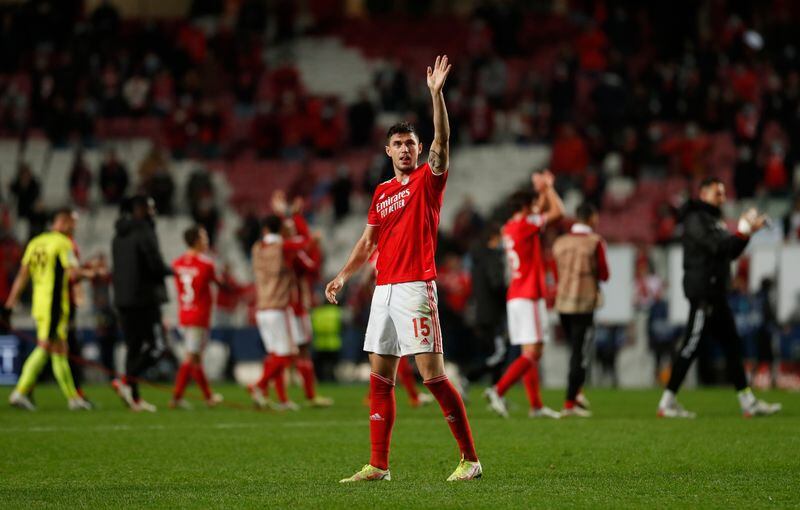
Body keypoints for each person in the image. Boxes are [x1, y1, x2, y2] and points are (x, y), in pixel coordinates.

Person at [326, 56, 481, 483]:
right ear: (388, 150)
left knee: (432, 376)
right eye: (399, 144)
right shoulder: (381, 192)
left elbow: (443, 143)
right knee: (380, 375)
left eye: (412, 143)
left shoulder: (429, 181)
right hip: (384, 290)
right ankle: (379, 465)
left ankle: (470, 458)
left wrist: (436, 95)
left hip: (417, 286)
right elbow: (367, 242)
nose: (407, 149)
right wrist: (342, 274)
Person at [657, 178, 781, 418]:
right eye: (717, 193)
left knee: (733, 347)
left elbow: (730, 251)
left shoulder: (713, 219)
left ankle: (747, 401)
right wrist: (743, 230)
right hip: (704, 294)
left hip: (716, 294)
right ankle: (666, 402)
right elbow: (718, 247)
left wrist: (747, 233)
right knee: (690, 347)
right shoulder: (695, 218)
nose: (722, 197)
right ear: (703, 193)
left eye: (724, 193)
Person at [484, 172, 564, 419]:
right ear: (527, 208)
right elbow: (558, 213)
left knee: (530, 351)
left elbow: (540, 210)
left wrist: (539, 192)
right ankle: (498, 390)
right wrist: (548, 187)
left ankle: (536, 406)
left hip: (516, 295)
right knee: (533, 352)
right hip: (529, 294)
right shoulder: (525, 225)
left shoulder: (509, 226)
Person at [3, 208, 92, 411]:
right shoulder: (63, 243)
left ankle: (73, 398)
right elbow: (73, 274)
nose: (74, 227)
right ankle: (21, 391)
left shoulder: (35, 242)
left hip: (39, 304)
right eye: (71, 223)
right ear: (62, 222)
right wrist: (92, 273)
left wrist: (9, 305)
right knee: (46, 348)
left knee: (59, 349)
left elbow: (22, 276)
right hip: (54, 305)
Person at [111, 195, 172, 412]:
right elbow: (154, 265)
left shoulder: (118, 235)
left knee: (133, 348)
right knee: (157, 347)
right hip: (145, 299)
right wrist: (172, 270)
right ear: (141, 209)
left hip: (122, 299)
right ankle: (126, 381)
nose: (153, 211)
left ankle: (134, 399)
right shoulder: (144, 231)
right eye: (151, 207)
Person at [248, 214, 314, 411]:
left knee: (275, 355)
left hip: (261, 308)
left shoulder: (256, 248)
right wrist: (295, 217)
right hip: (278, 308)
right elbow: (305, 242)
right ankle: (258, 386)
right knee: (287, 355)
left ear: (265, 230)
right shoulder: (284, 247)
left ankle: (282, 400)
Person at [552, 203, 609, 417]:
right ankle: (570, 402)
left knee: (574, 350)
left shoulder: (560, 242)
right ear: (592, 217)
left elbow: (556, 274)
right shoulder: (595, 242)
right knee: (580, 354)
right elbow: (604, 274)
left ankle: (577, 394)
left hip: (563, 303)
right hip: (584, 303)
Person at [169, 226, 224, 409]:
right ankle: (176, 397)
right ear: (197, 240)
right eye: (204, 237)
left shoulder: (177, 263)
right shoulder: (206, 264)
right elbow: (219, 283)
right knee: (190, 357)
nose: (207, 240)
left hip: (184, 313)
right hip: (199, 315)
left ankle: (208, 397)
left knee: (196, 358)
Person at [466, 223, 508, 385]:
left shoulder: (477, 259)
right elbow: (496, 283)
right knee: (499, 354)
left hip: (482, 312)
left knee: (494, 353)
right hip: (493, 313)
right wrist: (508, 293)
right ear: (495, 237)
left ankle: (495, 391)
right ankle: (468, 378)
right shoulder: (492, 257)